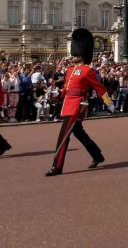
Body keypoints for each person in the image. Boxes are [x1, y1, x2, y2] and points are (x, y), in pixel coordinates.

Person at [46, 28, 115, 176]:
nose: (73, 56)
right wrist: (57, 92)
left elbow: (99, 88)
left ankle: (57, 166)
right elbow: (66, 89)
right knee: (79, 133)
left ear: (82, 55)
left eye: (76, 54)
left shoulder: (87, 70)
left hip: (77, 106)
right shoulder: (70, 70)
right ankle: (97, 155)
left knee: (63, 135)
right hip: (67, 104)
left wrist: (109, 102)